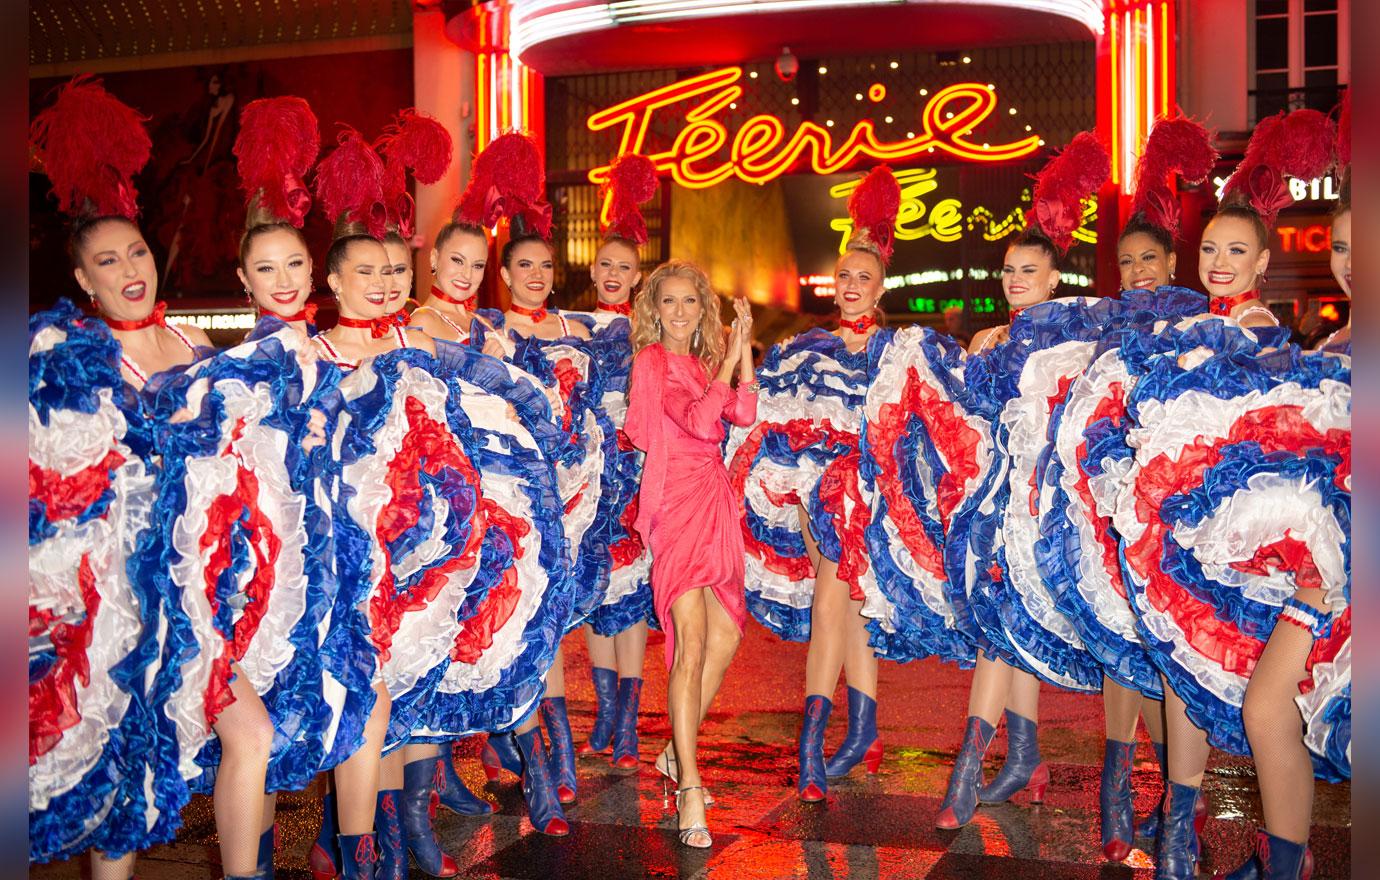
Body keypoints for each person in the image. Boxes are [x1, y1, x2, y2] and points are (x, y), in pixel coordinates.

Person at [936, 133, 1110, 832]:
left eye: (1027, 272)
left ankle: (967, 774)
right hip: (993, 504)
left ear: (1053, 278)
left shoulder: (1075, 336)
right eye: (1008, 271)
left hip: (1043, 509)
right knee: (1011, 632)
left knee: (1002, 637)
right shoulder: (993, 340)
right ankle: (1024, 757)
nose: (1014, 281)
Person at [1213, 95, 1351, 880]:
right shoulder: (1333, 340)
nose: (1349, 260)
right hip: (1329, 566)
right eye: (1339, 246)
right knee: (1269, 708)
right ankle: (1287, 863)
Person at [624, 260, 757, 848]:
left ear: (703, 310)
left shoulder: (705, 362)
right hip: (675, 503)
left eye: (690, 303)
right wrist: (728, 362)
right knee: (693, 643)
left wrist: (743, 347)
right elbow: (704, 423)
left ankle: (675, 755)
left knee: (726, 637)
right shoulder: (651, 362)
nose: (679, 313)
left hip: (714, 499)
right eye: (669, 302)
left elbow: (744, 415)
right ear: (655, 309)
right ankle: (690, 788)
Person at [570, 155, 660, 771]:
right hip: (588, 477)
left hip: (637, 477)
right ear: (592, 267)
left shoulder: (652, 334)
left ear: (637, 276)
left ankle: (627, 723)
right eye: (604, 264)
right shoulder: (569, 326)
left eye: (623, 268)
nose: (612, 274)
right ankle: (604, 716)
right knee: (599, 598)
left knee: (632, 602)